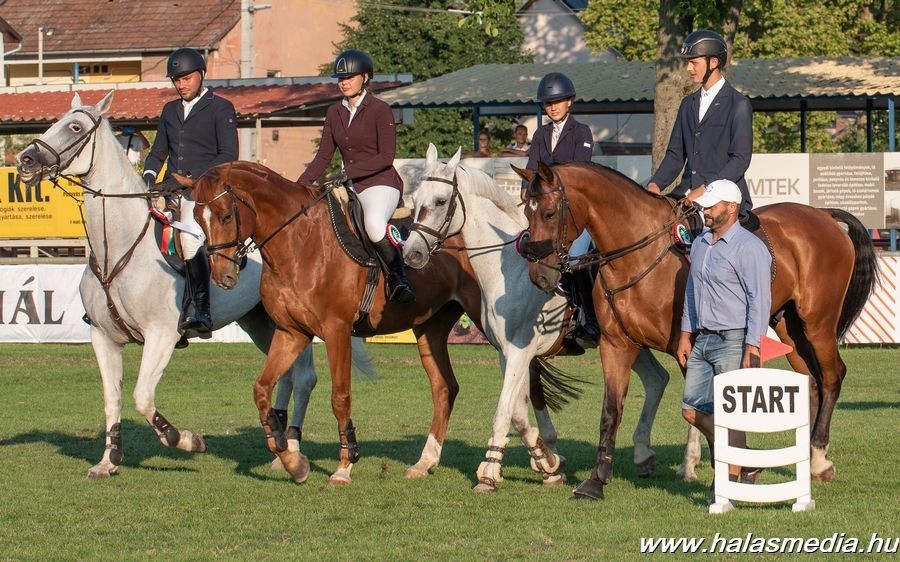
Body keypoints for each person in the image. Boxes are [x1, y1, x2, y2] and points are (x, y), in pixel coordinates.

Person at [298, 49, 414, 304]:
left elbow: (386, 157)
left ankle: (399, 279)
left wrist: (347, 173)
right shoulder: (334, 112)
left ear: (365, 77)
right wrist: (299, 185)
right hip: (350, 185)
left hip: (381, 183)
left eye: (349, 77)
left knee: (373, 224)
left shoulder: (380, 109)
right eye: (340, 78)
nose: (344, 82)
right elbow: (323, 156)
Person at [675, 179, 771, 485]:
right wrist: (685, 334)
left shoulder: (750, 247)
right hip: (702, 337)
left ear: (731, 208)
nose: (705, 211)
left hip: (734, 338)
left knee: (731, 413)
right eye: (704, 206)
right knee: (691, 410)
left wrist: (752, 346)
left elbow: (759, 300)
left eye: (711, 206)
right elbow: (692, 291)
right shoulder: (700, 243)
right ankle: (747, 461)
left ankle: (727, 486)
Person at [142, 47, 239, 335]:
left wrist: (190, 180)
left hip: (204, 194)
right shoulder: (169, 110)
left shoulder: (221, 108)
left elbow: (228, 154)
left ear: (201, 75)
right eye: (176, 80)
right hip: (169, 190)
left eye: (186, 79)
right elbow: (158, 151)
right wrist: (148, 176)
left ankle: (201, 309)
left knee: (188, 238)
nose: (181, 85)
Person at [646, 29, 754, 223]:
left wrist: (705, 189)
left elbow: (740, 159)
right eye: (688, 62)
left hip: (722, 198)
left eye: (694, 62)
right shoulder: (688, 104)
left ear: (714, 62)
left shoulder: (738, 104)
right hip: (686, 193)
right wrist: (656, 184)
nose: (688, 68)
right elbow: (676, 154)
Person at [524, 72, 599, 349]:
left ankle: (591, 320)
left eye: (557, 101)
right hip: (546, 213)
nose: (552, 107)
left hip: (576, 214)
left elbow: (580, 173)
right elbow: (531, 169)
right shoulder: (540, 135)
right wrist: (527, 189)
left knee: (576, 257)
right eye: (548, 103)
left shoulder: (582, 132)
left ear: (569, 102)